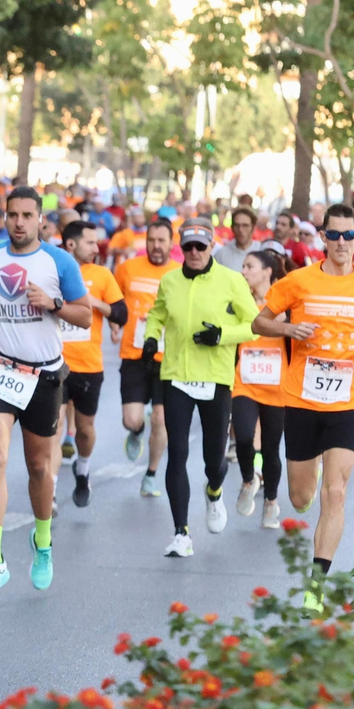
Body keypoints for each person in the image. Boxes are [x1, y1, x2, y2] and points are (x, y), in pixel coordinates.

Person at [252, 203, 354, 593]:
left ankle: (316, 586)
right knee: (301, 497)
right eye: (334, 235)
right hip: (302, 401)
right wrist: (289, 329)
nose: (341, 242)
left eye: (349, 235)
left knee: (336, 491)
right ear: (324, 237)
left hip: (348, 402)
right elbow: (258, 321)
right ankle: (301, 495)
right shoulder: (298, 281)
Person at [0, 186, 91, 597]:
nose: (18, 222)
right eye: (11, 215)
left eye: (26, 215)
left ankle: (42, 541)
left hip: (43, 375)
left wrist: (53, 303)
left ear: (41, 219)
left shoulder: (59, 261)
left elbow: (86, 315)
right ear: (4, 217)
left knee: (39, 468)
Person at [141, 223, 258, 557]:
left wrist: (221, 335)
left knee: (213, 460)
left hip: (216, 378)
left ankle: (215, 491)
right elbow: (157, 313)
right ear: (181, 247)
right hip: (176, 374)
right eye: (188, 247)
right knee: (177, 452)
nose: (194, 253)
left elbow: (254, 326)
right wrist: (151, 336)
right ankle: (181, 533)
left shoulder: (232, 280)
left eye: (200, 247)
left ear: (211, 247)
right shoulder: (170, 280)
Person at [57, 221, 126, 507]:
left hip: (88, 365)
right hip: (54, 364)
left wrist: (95, 304)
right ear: (71, 245)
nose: (96, 248)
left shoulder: (101, 274)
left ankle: (83, 467)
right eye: (90, 242)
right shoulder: (52, 269)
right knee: (52, 427)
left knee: (85, 429)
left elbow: (121, 313)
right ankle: (48, 492)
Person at [116, 219, 178, 496]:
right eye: (151, 240)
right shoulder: (128, 269)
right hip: (134, 353)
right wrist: (114, 323)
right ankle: (135, 431)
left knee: (161, 419)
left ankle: (151, 474)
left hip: (168, 357)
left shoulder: (180, 273)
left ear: (170, 243)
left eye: (161, 241)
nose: (155, 246)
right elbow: (115, 301)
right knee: (132, 418)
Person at [232, 249, 291, 529]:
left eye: (250, 266)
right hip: (244, 380)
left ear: (267, 271)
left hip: (276, 384)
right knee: (243, 436)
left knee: (270, 448)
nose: (244, 271)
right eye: (243, 266)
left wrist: (286, 325)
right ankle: (248, 479)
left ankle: (270, 501)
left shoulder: (283, 302)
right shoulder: (238, 301)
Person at [213, 207, 262, 271]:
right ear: (232, 228)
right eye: (237, 225)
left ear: (253, 228)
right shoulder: (221, 254)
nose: (240, 230)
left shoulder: (261, 250)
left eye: (245, 226)